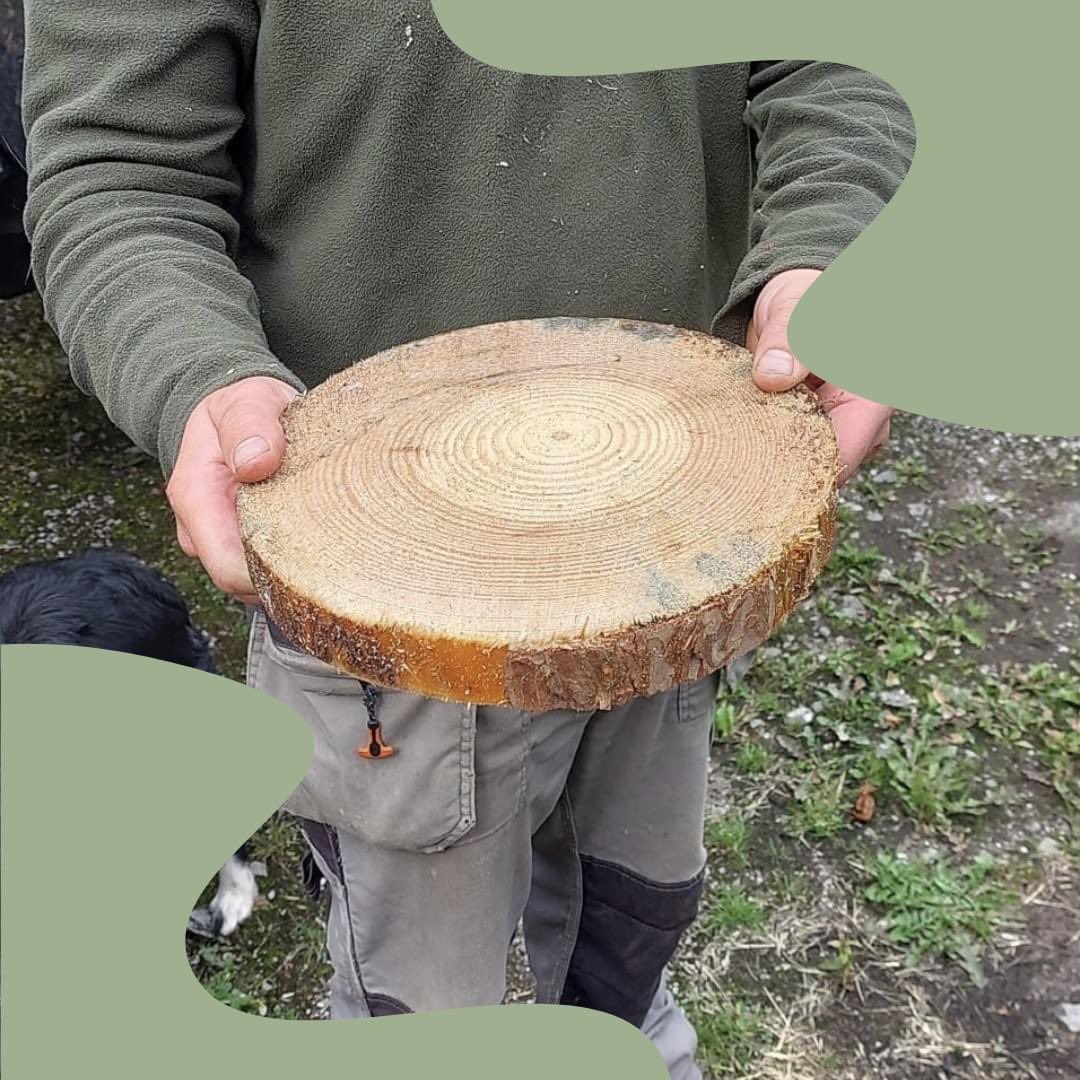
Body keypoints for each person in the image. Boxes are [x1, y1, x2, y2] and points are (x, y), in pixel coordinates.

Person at [21, 5, 913, 1076]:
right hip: (369, 568)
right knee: (425, 1023)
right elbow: (119, 173)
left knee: (635, 919)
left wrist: (831, 243)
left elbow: (840, 49)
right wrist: (198, 375)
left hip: (678, 522)